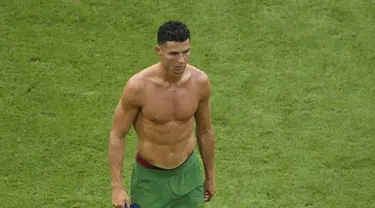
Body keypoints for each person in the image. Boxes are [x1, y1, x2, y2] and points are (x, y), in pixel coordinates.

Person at [108, 20, 216, 208]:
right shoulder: (138, 87)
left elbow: (205, 131)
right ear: (159, 51)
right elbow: (117, 135)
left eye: (186, 51)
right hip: (150, 179)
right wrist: (117, 186)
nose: (181, 60)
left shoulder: (200, 82)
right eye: (174, 54)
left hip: (188, 174)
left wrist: (210, 177)